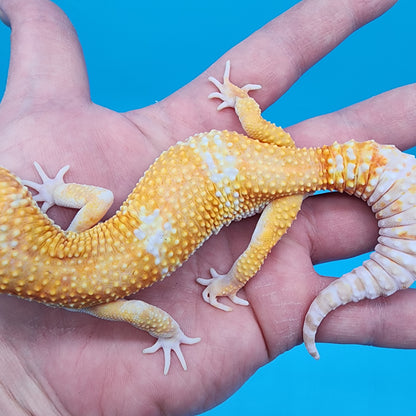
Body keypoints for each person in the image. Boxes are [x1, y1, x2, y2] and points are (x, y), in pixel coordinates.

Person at [0, 0, 415, 414]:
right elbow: (100, 199)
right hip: (263, 162)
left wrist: (197, 312)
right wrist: (58, 193)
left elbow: (150, 313)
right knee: (254, 251)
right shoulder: (77, 241)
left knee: (256, 249)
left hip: (270, 174)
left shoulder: (98, 300)